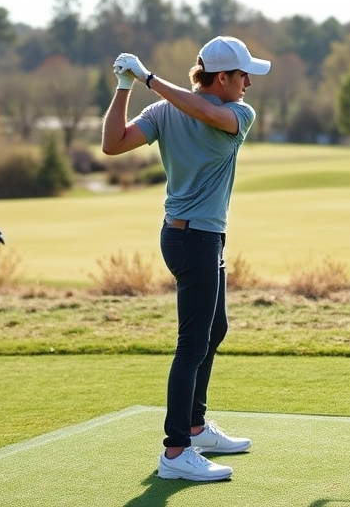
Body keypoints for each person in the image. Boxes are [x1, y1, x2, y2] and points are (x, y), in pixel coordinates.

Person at [102, 36, 271, 481]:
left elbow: (206, 112)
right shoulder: (168, 108)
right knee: (192, 345)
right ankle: (176, 451)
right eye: (242, 75)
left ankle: (196, 427)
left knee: (216, 329)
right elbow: (113, 143)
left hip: (202, 239)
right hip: (191, 240)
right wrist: (125, 87)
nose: (249, 82)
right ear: (222, 77)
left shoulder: (235, 114)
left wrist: (147, 80)